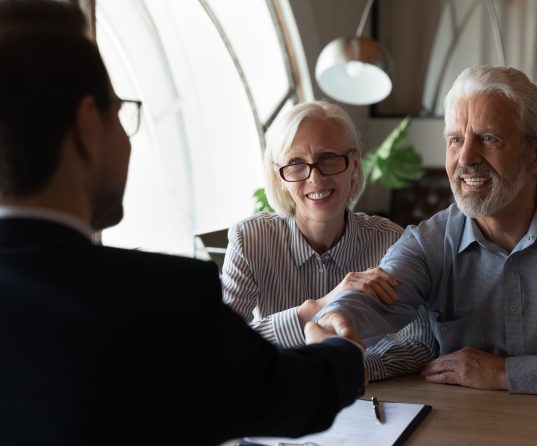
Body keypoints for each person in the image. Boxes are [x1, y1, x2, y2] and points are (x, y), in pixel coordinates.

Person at [0, 1, 364, 445]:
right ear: (88, 126)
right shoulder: (166, 300)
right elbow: (290, 397)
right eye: (119, 111)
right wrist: (343, 351)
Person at [316, 65, 537, 401]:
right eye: (455, 139)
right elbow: (376, 296)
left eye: (488, 138)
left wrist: (505, 373)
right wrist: (339, 318)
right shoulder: (428, 242)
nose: (466, 157)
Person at [222, 100, 437, 380]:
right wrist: (315, 308)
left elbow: (420, 342)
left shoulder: (391, 241)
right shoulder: (250, 240)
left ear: (354, 165)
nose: (315, 177)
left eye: (328, 158)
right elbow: (221, 343)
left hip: (369, 403)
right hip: (282, 405)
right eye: (296, 163)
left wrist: (353, 366)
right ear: (280, 177)